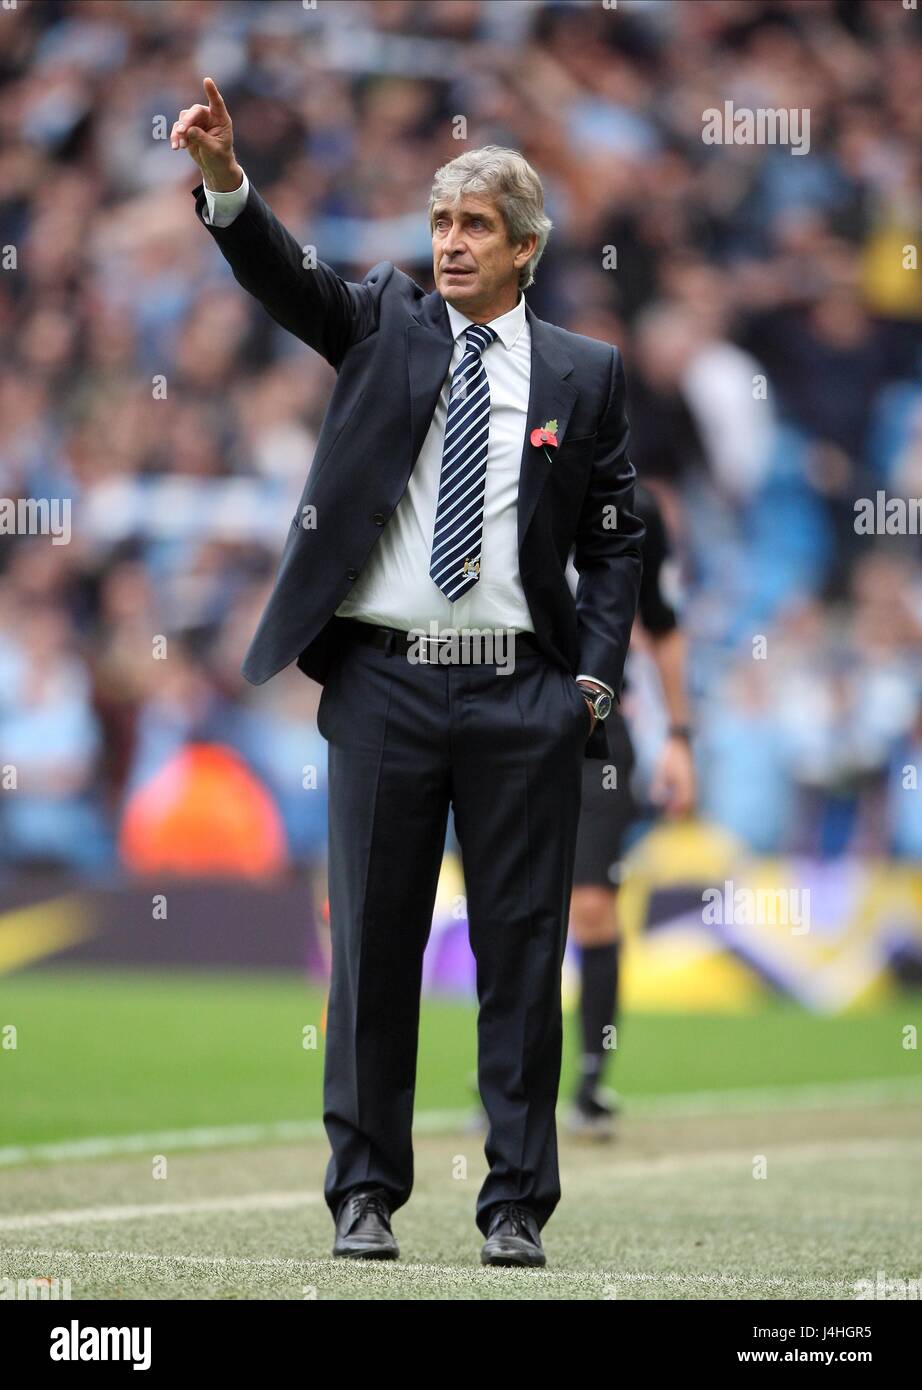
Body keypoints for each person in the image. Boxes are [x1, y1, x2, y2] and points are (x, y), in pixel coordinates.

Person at [173, 79, 644, 1268]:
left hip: (520, 695)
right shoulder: (382, 316)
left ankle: (515, 1205)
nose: (450, 243)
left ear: (526, 248)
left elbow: (617, 538)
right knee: (373, 952)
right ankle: (363, 1192)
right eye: (442, 224)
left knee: (521, 953)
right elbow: (286, 278)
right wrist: (228, 182)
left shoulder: (586, 374)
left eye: (476, 226)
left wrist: (589, 682)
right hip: (382, 684)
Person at [566, 483, 696, 1137]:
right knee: (508, 906)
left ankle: (589, 1079)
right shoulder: (502, 473)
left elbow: (664, 624)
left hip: (597, 728)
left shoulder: (634, 507)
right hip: (502, 716)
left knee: (590, 904)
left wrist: (679, 737)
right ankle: (505, 1074)